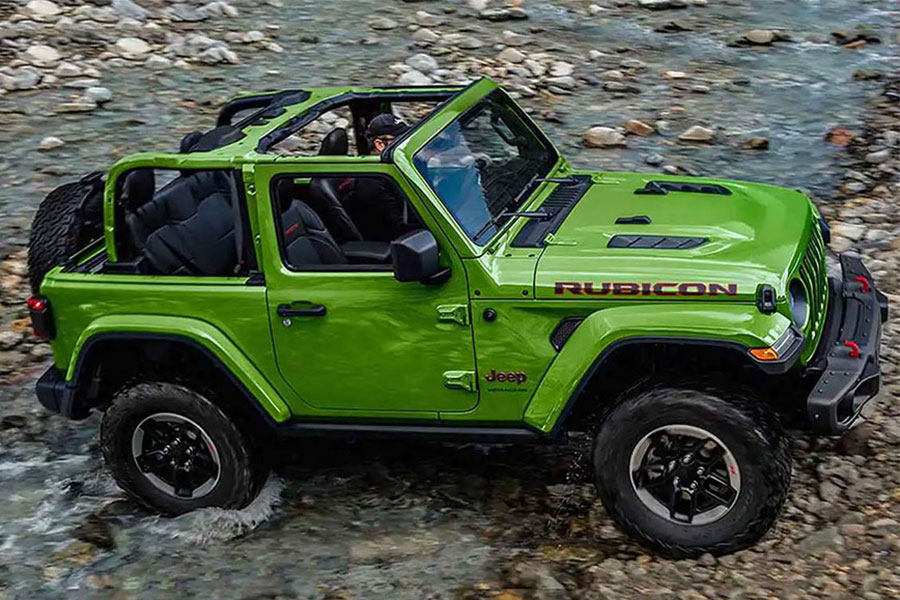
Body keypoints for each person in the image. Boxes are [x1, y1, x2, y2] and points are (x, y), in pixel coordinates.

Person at [343, 114, 419, 241]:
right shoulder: (371, 182)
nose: (407, 144)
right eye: (401, 140)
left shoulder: (391, 171)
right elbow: (400, 226)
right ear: (380, 145)